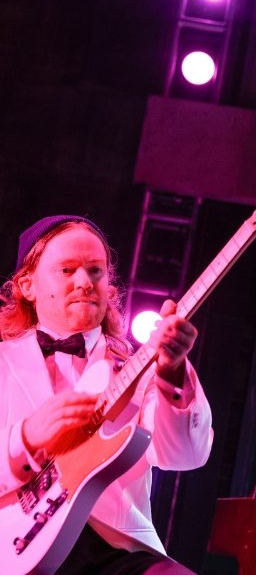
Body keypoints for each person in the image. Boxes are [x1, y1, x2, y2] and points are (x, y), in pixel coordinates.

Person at [0, 215, 213, 574]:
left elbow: (185, 456)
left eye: (95, 271)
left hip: (115, 550)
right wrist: (24, 438)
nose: (84, 283)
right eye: (67, 270)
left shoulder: (138, 367)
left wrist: (172, 371)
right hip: (14, 546)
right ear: (27, 285)